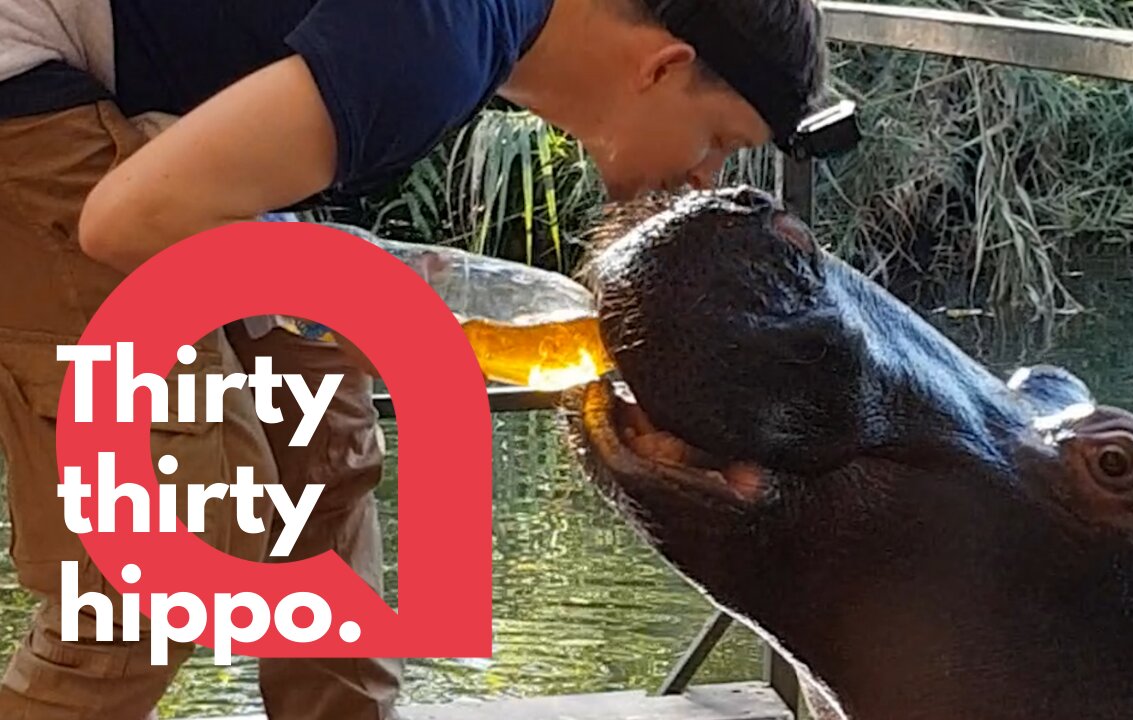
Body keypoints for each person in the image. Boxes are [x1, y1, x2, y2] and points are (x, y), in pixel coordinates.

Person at [0, 0, 829, 718]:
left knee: (318, 448)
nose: (702, 176)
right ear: (664, 65)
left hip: (139, 110)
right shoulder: (438, 41)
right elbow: (119, 222)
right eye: (719, 139)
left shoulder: (478, 35)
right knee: (167, 546)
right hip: (29, 88)